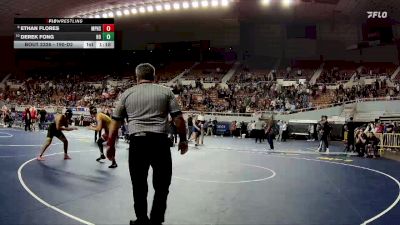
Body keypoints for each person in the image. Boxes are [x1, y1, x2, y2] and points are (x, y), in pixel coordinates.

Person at [106, 63, 188, 225]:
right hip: (160, 143)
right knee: (162, 185)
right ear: (154, 76)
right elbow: (178, 119)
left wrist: (111, 145)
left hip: (138, 143)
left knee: (138, 185)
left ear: (137, 77)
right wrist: (184, 140)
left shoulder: (127, 94)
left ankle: (142, 220)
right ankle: (156, 220)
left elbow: (115, 123)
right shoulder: (166, 92)